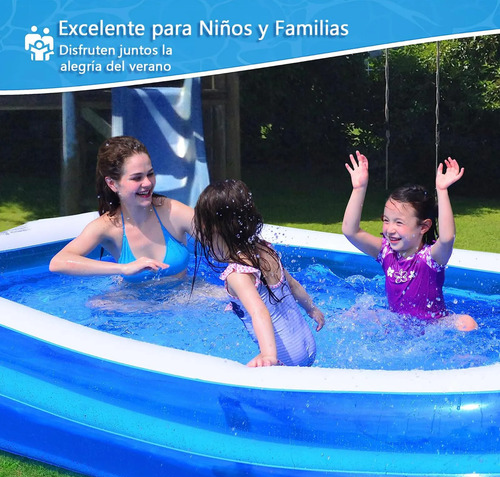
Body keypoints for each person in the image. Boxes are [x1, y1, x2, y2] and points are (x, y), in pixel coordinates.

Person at [193, 179, 325, 367]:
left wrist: (268, 355)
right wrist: (311, 309)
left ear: (214, 230)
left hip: (284, 360)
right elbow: (293, 285)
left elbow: (259, 312)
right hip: (308, 346)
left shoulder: (237, 273)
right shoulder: (266, 250)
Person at [342, 151, 477, 331]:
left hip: (433, 327)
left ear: (424, 226)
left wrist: (442, 191)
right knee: (354, 313)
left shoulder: (431, 259)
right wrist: (359, 188)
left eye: (399, 222)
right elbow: (350, 231)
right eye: (386, 220)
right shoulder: (385, 252)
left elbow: (446, 239)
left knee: (467, 322)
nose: (390, 229)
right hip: (397, 325)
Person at [50, 136, 193, 282]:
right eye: (137, 178)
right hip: (130, 297)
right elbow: (58, 263)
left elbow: (209, 233)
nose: (147, 183)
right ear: (112, 184)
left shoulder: (171, 211)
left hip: (183, 294)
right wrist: (123, 268)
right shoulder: (108, 226)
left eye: (150, 174)